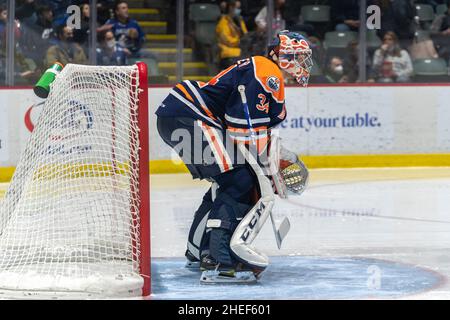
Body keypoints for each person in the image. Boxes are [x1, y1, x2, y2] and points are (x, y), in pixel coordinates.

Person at [155, 30, 312, 283]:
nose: (303, 64)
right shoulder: (266, 72)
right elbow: (242, 128)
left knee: (229, 181)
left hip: (181, 115)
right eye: (299, 57)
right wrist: (268, 170)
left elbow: (250, 131)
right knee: (239, 181)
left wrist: (268, 162)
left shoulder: (265, 72)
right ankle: (219, 262)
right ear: (282, 56)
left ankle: (200, 251)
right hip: (190, 116)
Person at [216, 0, 248, 69]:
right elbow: (226, 40)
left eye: (239, 8)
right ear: (230, 7)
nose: (238, 10)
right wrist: (239, 42)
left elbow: (245, 34)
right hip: (228, 52)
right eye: (237, 8)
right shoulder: (223, 22)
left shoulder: (239, 21)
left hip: (241, 50)